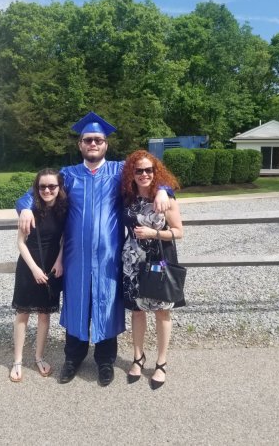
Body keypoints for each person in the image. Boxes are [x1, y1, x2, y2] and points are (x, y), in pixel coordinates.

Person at [16, 111, 171, 386]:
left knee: (107, 304)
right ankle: (73, 359)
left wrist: (162, 191)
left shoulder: (119, 171)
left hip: (110, 255)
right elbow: (33, 192)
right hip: (75, 257)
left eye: (98, 140)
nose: (93, 144)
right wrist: (25, 209)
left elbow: (150, 177)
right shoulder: (67, 175)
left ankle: (105, 362)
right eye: (88, 140)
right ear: (80, 145)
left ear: (106, 144)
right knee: (76, 304)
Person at [121, 150, 184, 390]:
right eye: (139, 171)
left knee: (161, 312)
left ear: (155, 172)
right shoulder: (127, 196)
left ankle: (161, 362)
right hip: (133, 261)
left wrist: (153, 232)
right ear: (132, 173)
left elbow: (179, 231)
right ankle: (138, 357)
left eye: (149, 170)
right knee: (137, 311)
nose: (144, 174)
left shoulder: (166, 198)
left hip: (159, 260)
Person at [10, 168, 67, 382]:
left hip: (52, 266)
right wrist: (34, 268)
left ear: (59, 188)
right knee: (23, 313)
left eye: (52, 186)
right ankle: (17, 360)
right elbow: (20, 243)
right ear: (37, 188)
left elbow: (64, 239)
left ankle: (39, 356)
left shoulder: (63, 210)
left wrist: (60, 261)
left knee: (44, 314)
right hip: (28, 266)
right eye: (42, 186)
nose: (47, 190)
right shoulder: (30, 210)